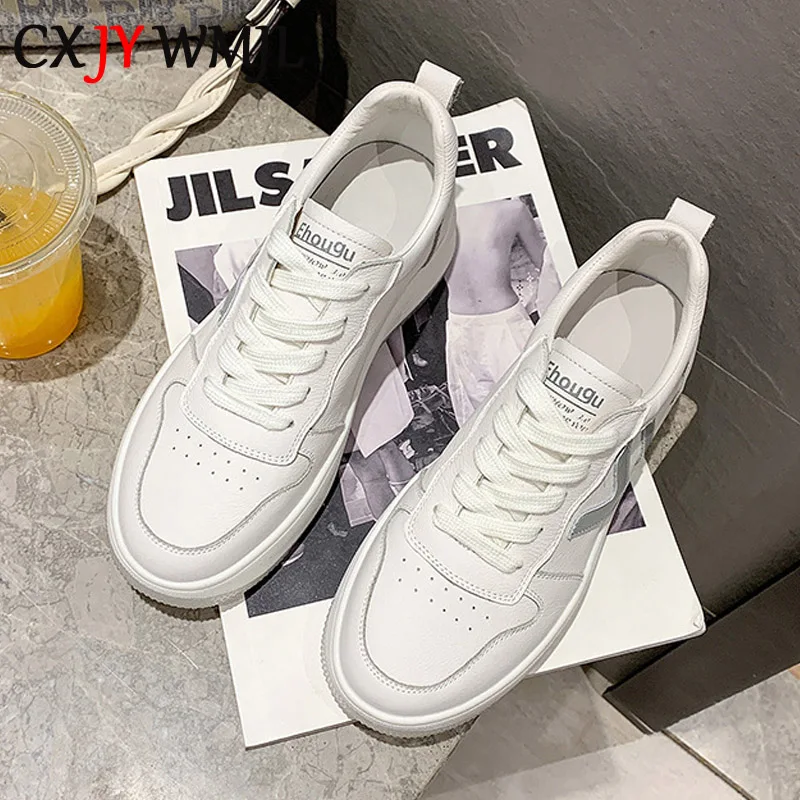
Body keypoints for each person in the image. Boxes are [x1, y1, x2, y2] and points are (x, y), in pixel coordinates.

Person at [444, 196, 561, 427]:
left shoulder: (439, 214)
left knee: (484, 416)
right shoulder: (512, 209)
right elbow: (547, 263)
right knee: (529, 407)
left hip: (466, 323)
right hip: (492, 322)